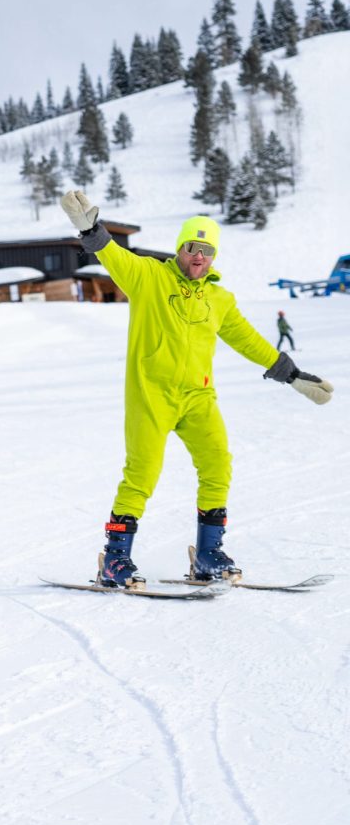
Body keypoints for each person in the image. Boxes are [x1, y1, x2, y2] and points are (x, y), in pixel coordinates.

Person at [59, 191, 334, 586]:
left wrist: (291, 374)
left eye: (206, 250)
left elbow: (247, 339)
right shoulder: (150, 277)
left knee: (217, 464)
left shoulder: (219, 299)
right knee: (142, 474)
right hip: (151, 395)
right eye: (192, 247)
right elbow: (115, 257)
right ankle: (114, 559)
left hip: (198, 398)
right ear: (180, 249)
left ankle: (208, 554)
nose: (198, 256)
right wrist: (90, 229)